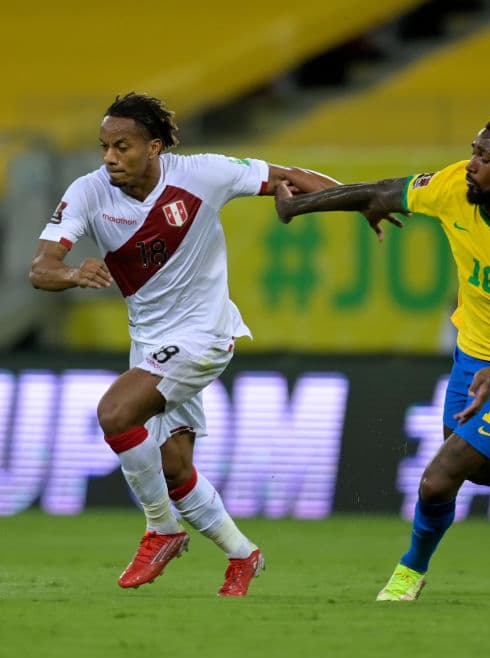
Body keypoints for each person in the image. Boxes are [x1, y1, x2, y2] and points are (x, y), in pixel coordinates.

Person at [274, 118, 490, 601]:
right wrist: (299, 206)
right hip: (470, 357)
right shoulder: (452, 187)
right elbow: (380, 192)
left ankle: (409, 573)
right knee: (475, 466)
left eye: (485, 158)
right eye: (473, 151)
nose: (472, 164)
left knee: (438, 479)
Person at [29, 92, 344, 597]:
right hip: (150, 345)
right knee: (175, 470)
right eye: (104, 146)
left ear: (154, 147)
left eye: (122, 146)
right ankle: (244, 555)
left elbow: (293, 176)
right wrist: (72, 272)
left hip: (205, 335)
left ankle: (162, 529)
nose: (110, 157)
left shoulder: (203, 175)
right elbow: (40, 269)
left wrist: (363, 200)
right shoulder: (89, 192)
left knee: (115, 413)